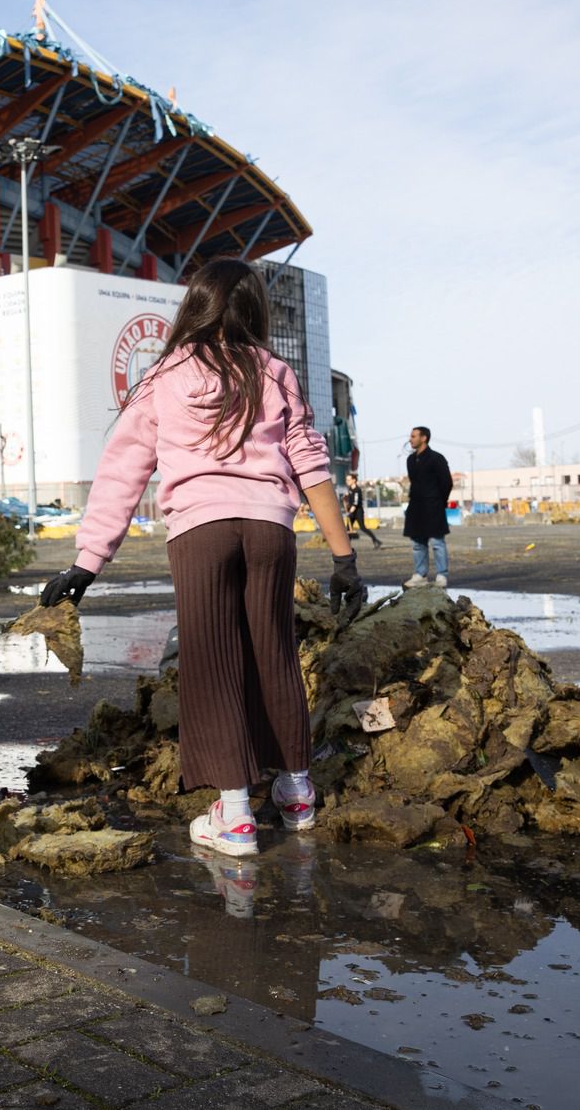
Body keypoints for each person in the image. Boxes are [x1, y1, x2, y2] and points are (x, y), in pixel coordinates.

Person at [39, 257, 364, 857]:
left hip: (201, 531)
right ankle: (296, 792)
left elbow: (122, 472)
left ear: (196, 306)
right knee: (274, 652)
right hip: (271, 527)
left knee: (212, 663)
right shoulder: (275, 371)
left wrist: (89, 561)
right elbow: (311, 462)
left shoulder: (165, 375)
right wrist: (343, 558)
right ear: (254, 311)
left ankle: (236, 814)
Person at [402, 426, 453, 588]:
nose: (411, 439)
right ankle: (420, 575)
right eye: (411, 436)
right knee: (418, 542)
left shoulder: (436, 458)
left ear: (424, 438)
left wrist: (439, 501)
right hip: (416, 505)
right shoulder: (410, 460)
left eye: (414, 436)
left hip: (433, 504)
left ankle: (441, 575)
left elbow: (446, 482)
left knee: (437, 541)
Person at [344, 472, 382, 548]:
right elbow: (349, 498)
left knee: (362, 527)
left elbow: (356, 502)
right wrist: (346, 497)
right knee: (348, 529)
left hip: (358, 511)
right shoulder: (350, 489)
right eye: (346, 480)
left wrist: (350, 512)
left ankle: (376, 540)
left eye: (349, 480)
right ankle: (347, 547)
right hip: (351, 511)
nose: (347, 481)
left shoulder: (357, 490)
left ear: (354, 480)